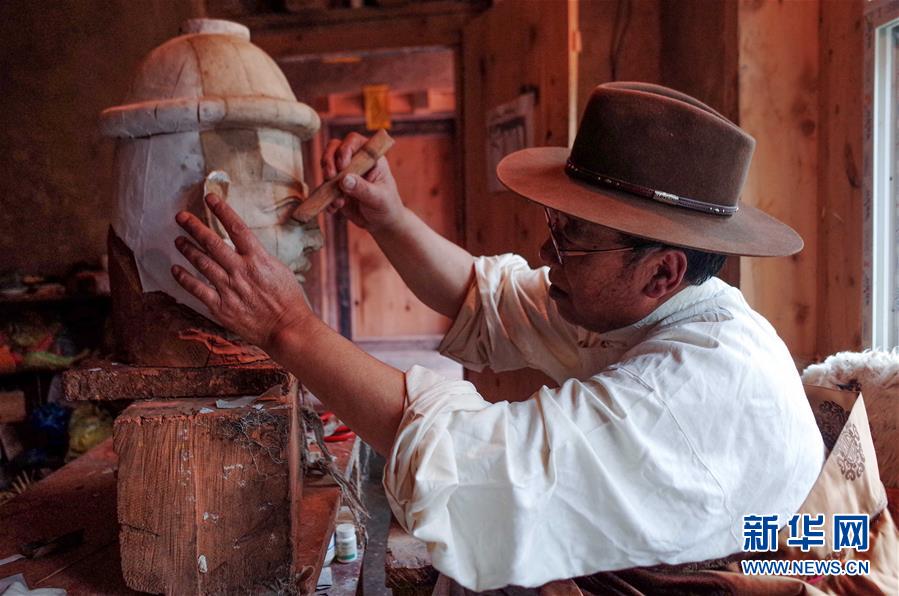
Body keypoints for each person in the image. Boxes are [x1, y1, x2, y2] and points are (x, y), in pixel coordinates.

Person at [170, 82, 826, 591]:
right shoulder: (666, 307)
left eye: (572, 239)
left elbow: (482, 469)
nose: (547, 248)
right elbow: (494, 303)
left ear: (660, 270)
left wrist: (288, 328)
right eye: (555, 223)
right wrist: (390, 219)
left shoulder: (696, 388)